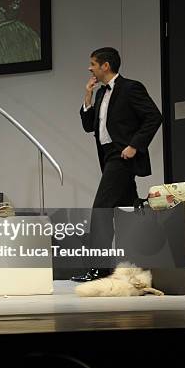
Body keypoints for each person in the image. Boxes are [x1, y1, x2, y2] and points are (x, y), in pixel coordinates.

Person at [71, 47, 162, 282]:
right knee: (127, 209)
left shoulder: (131, 88)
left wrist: (134, 145)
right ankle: (137, 262)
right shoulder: (100, 93)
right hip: (109, 156)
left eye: (93, 63)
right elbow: (89, 126)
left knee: (101, 209)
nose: (89, 68)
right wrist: (87, 97)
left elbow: (154, 116)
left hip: (121, 157)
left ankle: (99, 268)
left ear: (106, 66)